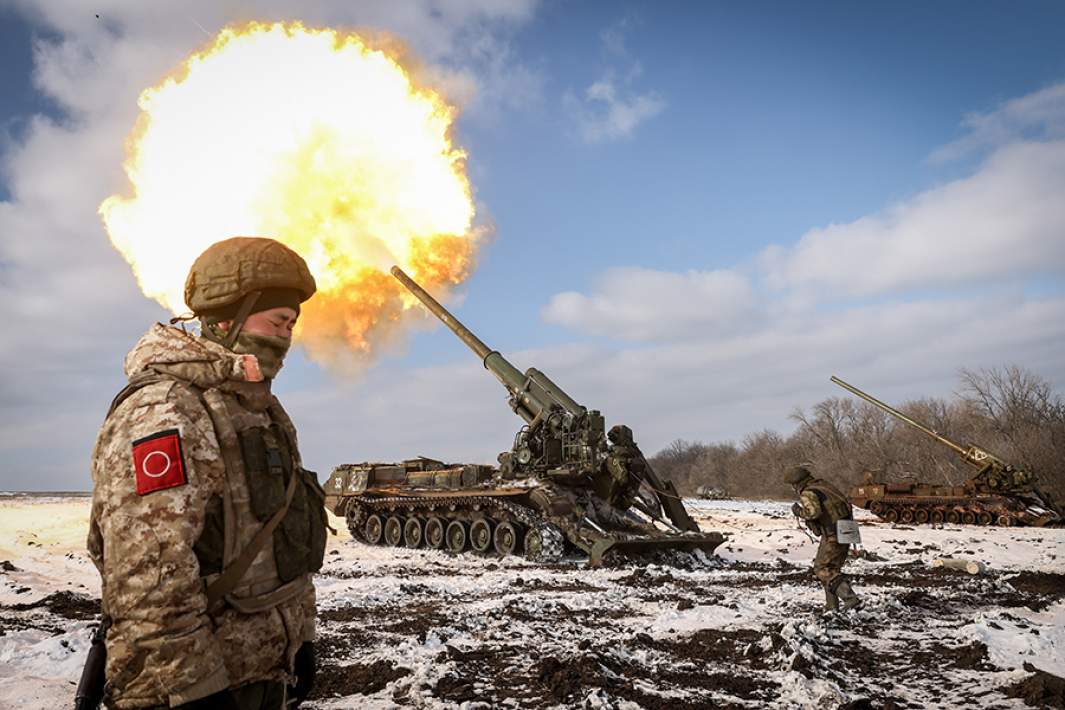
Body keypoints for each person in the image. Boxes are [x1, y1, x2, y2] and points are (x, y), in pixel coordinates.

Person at [88, 237, 328, 709]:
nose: (286, 335)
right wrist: (195, 690)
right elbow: (149, 579)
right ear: (225, 319)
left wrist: (300, 638)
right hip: (187, 688)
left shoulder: (258, 410)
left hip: (256, 675)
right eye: (277, 321)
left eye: (292, 324)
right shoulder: (166, 410)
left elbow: (278, 547)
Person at [784, 465, 861, 613]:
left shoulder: (809, 492)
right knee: (832, 569)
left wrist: (798, 511)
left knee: (822, 569)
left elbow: (813, 513)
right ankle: (831, 607)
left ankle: (850, 599)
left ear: (796, 482)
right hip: (846, 530)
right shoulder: (824, 485)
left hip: (833, 533)